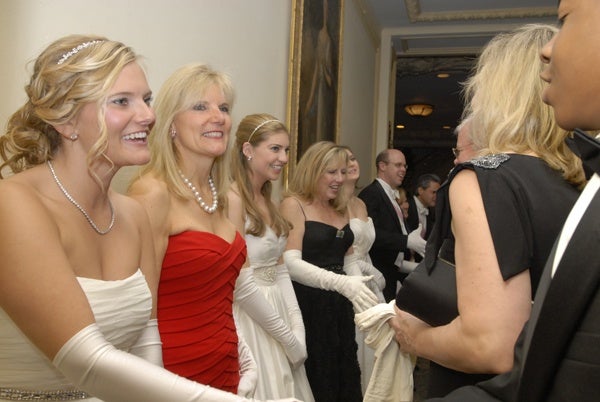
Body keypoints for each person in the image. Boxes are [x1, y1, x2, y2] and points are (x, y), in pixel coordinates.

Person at [0, 34, 295, 402]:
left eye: (147, 99)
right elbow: (87, 360)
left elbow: (147, 339)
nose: (148, 115)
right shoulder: (14, 204)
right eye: (122, 101)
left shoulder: (131, 213)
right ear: (66, 119)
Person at [390, 23, 586, 398]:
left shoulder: (487, 178)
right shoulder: (580, 181)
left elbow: (492, 346)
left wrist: (416, 339)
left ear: (498, 92)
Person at [127, 63, 260, 397]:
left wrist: (241, 349)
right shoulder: (152, 193)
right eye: (200, 106)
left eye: (224, 108)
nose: (218, 117)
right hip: (171, 370)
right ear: (171, 123)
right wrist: (155, 384)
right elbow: (140, 309)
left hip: (226, 365)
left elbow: (225, 294)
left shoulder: (230, 199)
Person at [280, 141, 379, 402]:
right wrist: (340, 283)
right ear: (313, 170)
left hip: (339, 308)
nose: (339, 179)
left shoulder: (340, 205)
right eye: (332, 172)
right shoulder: (294, 204)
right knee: (317, 378)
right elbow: (290, 263)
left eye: (342, 172)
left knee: (344, 377)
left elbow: (347, 262)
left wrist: (367, 293)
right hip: (308, 304)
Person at [228, 113, 314, 401]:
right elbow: (240, 283)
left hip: (277, 308)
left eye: (286, 150)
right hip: (252, 316)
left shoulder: (269, 201)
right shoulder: (232, 200)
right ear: (248, 150)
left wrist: (297, 326)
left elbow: (280, 270)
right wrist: (287, 337)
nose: (284, 158)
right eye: (275, 149)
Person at [339, 144, 386, 393]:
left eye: (354, 157)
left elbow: (366, 248)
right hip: (349, 279)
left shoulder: (360, 203)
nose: (353, 163)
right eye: (345, 161)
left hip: (369, 276)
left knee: (376, 348)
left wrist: (377, 277)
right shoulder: (333, 204)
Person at [358, 148, 427, 301]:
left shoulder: (391, 194)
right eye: (398, 165)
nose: (403, 170)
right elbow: (370, 234)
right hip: (376, 272)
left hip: (391, 272)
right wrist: (407, 241)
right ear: (382, 166)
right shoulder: (371, 194)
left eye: (405, 166)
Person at [406, 173, 441, 242]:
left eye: (438, 193)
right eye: (433, 192)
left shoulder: (431, 212)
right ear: (420, 191)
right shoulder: (407, 206)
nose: (437, 196)